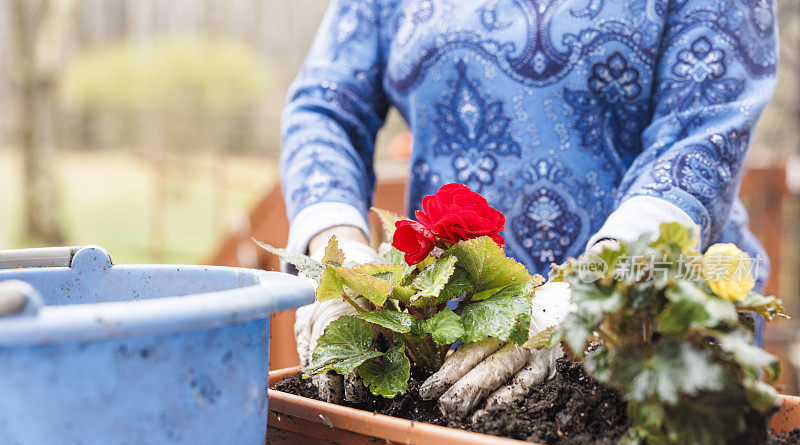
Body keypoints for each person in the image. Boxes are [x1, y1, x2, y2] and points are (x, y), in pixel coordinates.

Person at [282, 0, 777, 415]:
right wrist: (342, 256)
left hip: (645, 336)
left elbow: (703, 129)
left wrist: (591, 295)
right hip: (449, 346)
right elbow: (325, 110)